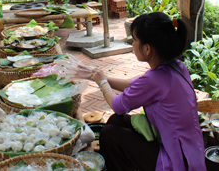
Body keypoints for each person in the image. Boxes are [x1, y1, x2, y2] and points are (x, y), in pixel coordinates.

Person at [76, 12, 206, 171]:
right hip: (191, 149)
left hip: (179, 160)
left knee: (109, 134)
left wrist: (102, 82)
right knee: (116, 121)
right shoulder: (177, 67)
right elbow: (134, 85)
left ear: (147, 48)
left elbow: (118, 105)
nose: (132, 43)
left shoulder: (155, 79)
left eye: (134, 40)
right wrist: (99, 77)